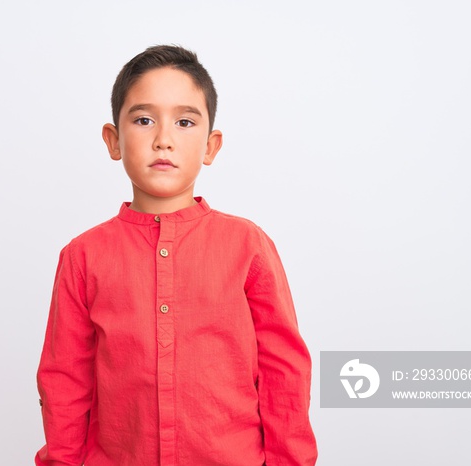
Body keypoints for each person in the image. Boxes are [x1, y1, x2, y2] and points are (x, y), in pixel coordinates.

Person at [35, 45, 317, 466]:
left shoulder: (247, 245)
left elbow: (284, 371)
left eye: (184, 122)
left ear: (210, 145)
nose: (163, 139)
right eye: (144, 120)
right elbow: (65, 381)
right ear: (114, 140)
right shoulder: (83, 257)